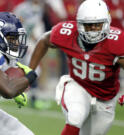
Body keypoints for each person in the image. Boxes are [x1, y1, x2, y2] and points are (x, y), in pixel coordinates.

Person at [29, 0, 124, 135]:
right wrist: (29, 70)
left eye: (97, 25)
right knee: (75, 117)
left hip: (105, 97)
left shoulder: (116, 42)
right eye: (88, 26)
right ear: (79, 24)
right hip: (78, 85)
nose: (93, 30)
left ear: (107, 23)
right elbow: (44, 40)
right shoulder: (67, 32)